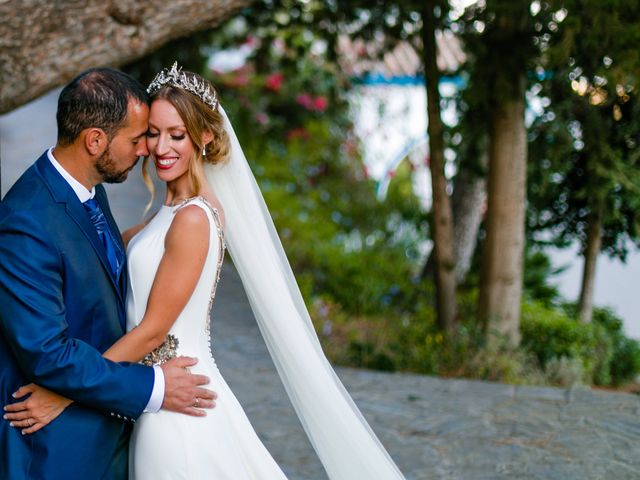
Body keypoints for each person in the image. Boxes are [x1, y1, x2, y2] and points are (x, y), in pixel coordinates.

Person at [6, 64, 405, 479]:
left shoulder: (194, 217)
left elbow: (153, 331)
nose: (154, 148)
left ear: (205, 136)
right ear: (95, 140)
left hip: (176, 397)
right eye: (149, 133)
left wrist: (62, 395)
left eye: (175, 134)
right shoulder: (151, 211)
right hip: (146, 399)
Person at [0, 68, 216, 480]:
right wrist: (154, 387)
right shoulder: (26, 222)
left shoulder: (88, 189)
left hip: (106, 429)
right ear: (95, 140)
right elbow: (48, 354)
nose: (144, 151)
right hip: (55, 449)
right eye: (137, 139)